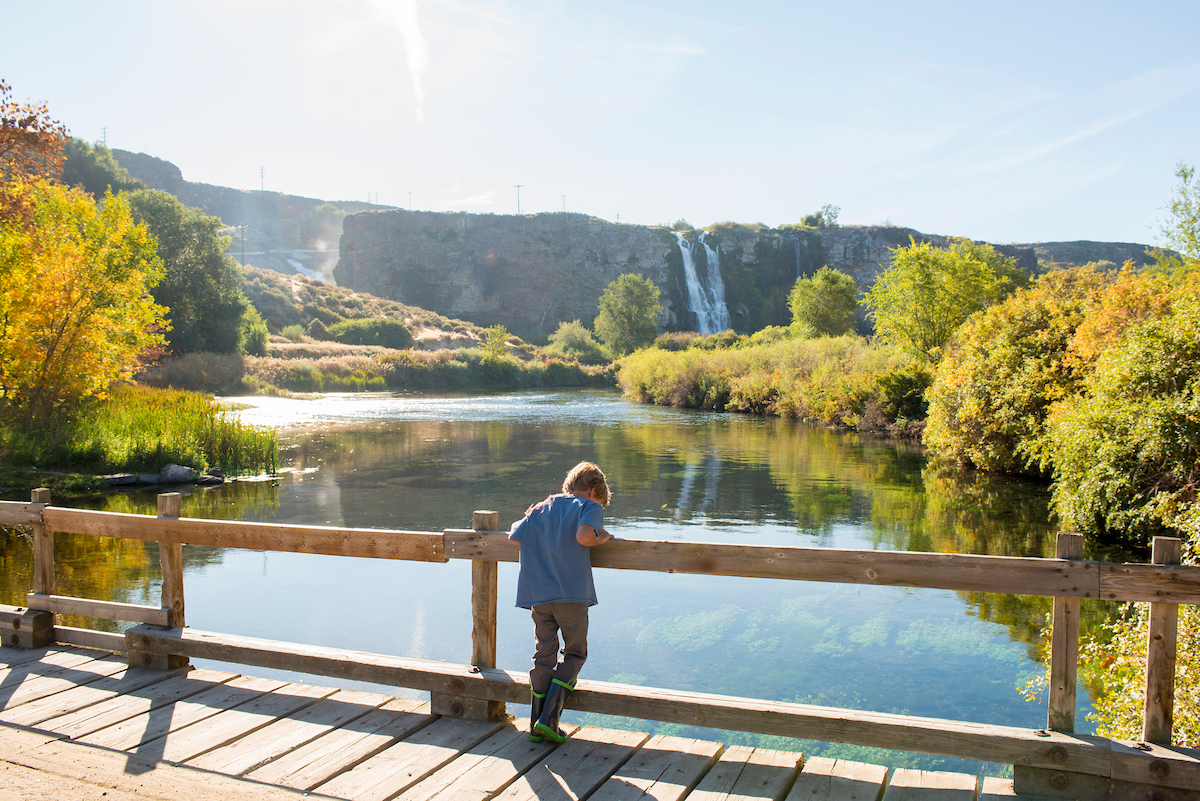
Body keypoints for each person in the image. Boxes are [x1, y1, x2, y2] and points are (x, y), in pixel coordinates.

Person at [508, 461, 614, 743]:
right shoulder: (588, 507)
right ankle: (550, 719)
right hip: (570, 595)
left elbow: (514, 537)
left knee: (544, 655)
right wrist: (602, 535)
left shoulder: (543, 506)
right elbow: (584, 536)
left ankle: (535, 724)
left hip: (538, 596)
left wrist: (530, 514)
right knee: (575, 653)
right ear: (593, 491)